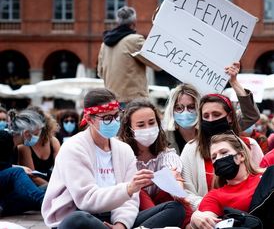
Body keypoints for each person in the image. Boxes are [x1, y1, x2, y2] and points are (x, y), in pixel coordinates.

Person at [42, 88, 185, 229]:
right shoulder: (73, 148)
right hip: (83, 215)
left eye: (117, 115)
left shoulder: (123, 150)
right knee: (75, 220)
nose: (115, 121)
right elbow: (86, 200)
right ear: (90, 120)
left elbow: (130, 201)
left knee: (175, 209)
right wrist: (128, 188)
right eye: (107, 118)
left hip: (114, 218)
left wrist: (121, 224)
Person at [181, 93, 264, 211]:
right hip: (206, 217)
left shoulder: (249, 145)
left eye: (216, 114)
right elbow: (185, 191)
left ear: (229, 117)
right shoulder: (191, 150)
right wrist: (212, 207)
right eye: (206, 116)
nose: (211, 120)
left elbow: (262, 180)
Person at [163, 62, 260, 154]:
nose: (185, 112)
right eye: (179, 108)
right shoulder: (163, 137)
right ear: (172, 110)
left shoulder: (213, 126)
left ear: (199, 108)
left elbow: (251, 116)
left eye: (191, 107)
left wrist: (234, 82)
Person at [190, 133, 264, 229]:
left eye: (224, 152)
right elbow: (207, 220)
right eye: (214, 157)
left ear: (241, 156)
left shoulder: (266, 177)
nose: (218, 158)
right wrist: (196, 217)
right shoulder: (214, 196)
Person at [118, 98, 183, 201]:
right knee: (139, 192)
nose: (147, 128)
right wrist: (160, 177)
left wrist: (178, 193)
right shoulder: (120, 154)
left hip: (162, 208)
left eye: (152, 123)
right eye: (141, 125)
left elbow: (175, 178)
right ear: (129, 129)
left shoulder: (167, 155)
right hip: (131, 208)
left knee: (176, 206)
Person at [97, 6, 159, 106]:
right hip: (134, 100)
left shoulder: (104, 45)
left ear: (118, 22)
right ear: (134, 22)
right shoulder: (135, 40)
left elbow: (100, 73)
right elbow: (157, 64)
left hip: (112, 102)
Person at [0, 109, 45, 216]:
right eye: (36, 134)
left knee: (33, 195)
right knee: (17, 172)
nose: (37, 138)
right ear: (26, 133)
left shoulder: (14, 146)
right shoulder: (3, 138)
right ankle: (48, 203)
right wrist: (13, 166)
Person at [17, 106, 60, 188]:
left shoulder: (53, 141)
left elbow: (60, 168)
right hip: (33, 186)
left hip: (52, 183)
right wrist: (52, 188)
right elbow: (32, 177)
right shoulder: (24, 145)